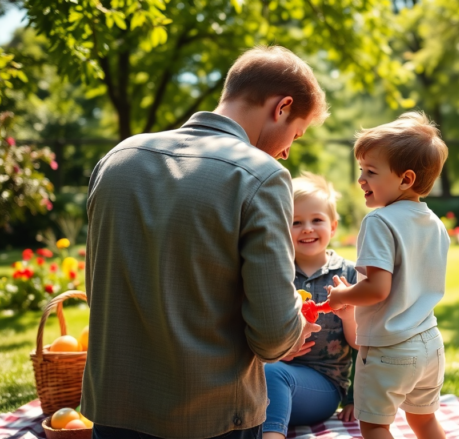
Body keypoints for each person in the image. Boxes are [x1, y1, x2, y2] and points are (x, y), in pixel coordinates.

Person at [82, 46, 326, 439]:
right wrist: (294, 320)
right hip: (213, 418)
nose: (286, 150)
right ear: (282, 107)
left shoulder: (117, 158)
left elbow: (100, 292)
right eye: (295, 135)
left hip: (114, 410)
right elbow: (271, 335)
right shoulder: (263, 176)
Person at [327, 112, 450, 439]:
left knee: (375, 425)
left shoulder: (379, 222)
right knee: (423, 420)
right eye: (361, 170)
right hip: (430, 344)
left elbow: (377, 289)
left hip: (389, 348)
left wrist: (342, 296)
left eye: (371, 172)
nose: (361, 179)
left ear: (406, 179)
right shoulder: (434, 223)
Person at [262, 172, 359, 438]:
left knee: (273, 375)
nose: (307, 228)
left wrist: (354, 398)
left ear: (334, 226)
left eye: (317, 220)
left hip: (322, 386)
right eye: (296, 222)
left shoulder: (348, 275)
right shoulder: (274, 273)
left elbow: (363, 345)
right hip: (268, 371)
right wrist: (277, 350)